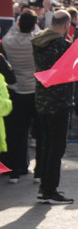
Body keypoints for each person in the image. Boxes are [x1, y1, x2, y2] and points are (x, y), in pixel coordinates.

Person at [32, 10, 75, 204]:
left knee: (47, 145)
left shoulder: (38, 41)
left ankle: (44, 187)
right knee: (57, 148)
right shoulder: (63, 45)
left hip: (42, 99)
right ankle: (50, 190)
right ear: (66, 25)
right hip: (60, 102)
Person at [2, 10, 38, 183]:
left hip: (16, 92)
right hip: (34, 91)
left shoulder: (8, 41)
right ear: (33, 26)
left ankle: (15, 171)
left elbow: (11, 30)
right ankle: (39, 172)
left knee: (16, 134)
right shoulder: (35, 41)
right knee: (40, 134)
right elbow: (40, 32)